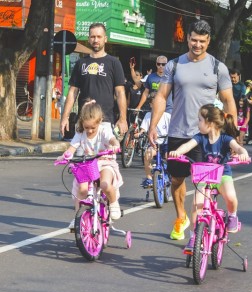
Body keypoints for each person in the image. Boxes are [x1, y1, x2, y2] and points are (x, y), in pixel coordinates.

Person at [148, 20, 237, 241]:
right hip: (178, 133)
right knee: (176, 180)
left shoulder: (218, 67)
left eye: (202, 41)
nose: (197, 44)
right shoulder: (174, 65)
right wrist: (153, 125)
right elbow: (161, 96)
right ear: (187, 38)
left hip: (206, 138)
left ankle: (200, 234)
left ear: (208, 42)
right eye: (194, 40)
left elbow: (228, 101)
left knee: (202, 187)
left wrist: (232, 135)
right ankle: (181, 217)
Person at [169, 104, 249, 252]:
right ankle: (194, 236)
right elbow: (187, 146)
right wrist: (177, 152)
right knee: (196, 204)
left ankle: (232, 216)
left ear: (210, 123)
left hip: (222, 174)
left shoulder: (226, 138)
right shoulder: (200, 137)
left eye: (200, 120)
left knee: (231, 197)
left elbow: (238, 148)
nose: (197, 123)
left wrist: (243, 153)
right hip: (205, 175)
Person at [57, 100, 123, 229]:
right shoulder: (80, 132)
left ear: (100, 122)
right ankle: (77, 218)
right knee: (82, 190)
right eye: (87, 127)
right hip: (87, 164)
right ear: (82, 123)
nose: (90, 130)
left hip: (105, 162)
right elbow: (72, 148)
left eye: (93, 127)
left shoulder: (104, 130)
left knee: (105, 184)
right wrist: (65, 156)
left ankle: (114, 203)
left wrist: (115, 144)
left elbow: (111, 138)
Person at [60, 23, 128, 139]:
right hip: (84, 122)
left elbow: (120, 93)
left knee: (104, 157)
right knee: (82, 156)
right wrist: (65, 117)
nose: (96, 40)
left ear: (105, 39)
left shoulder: (114, 63)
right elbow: (72, 92)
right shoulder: (81, 63)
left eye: (99, 37)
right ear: (89, 39)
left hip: (105, 121)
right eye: (92, 37)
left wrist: (123, 119)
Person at [134, 91, 171, 188]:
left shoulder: (167, 116)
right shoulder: (148, 116)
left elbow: (173, 129)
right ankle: (149, 178)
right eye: (153, 103)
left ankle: (168, 174)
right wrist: (140, 133)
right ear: (150, 105)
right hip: (154, 144)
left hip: (166, 143)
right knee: (147, 155)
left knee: (168, 157)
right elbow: (144, 129)